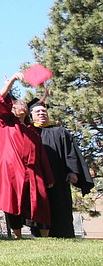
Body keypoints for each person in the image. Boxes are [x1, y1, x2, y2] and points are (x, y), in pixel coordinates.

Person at [0, 72, 55, 238]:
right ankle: (18, 235)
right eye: (17, 104)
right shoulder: (6, 123)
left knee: (40, 200)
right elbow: (0, 98)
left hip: (33, 171)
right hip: (12, 170)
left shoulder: (33, 132)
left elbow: (42, 157)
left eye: (24, 105)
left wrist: (48, 178)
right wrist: (11, 81)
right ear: (11, 109)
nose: (22, 106)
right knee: (12, 201)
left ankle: (44, 235)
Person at [30, 95, 94, 238]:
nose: (41, 114)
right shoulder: (29, 132)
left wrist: (72, 172)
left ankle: (64, 235)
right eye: (38, 112)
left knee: (61, 207)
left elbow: (70, 153)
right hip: (37, 179)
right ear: (31, 115)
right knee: (39, 207)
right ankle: (38, 235)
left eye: (43, 111)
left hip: (58, 178)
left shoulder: (59, 132)